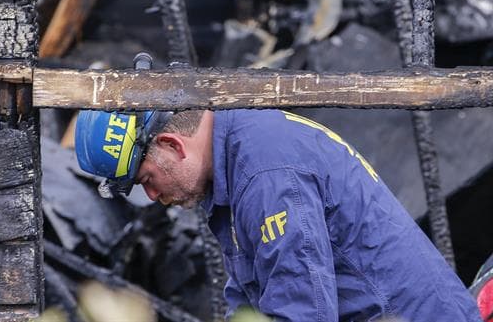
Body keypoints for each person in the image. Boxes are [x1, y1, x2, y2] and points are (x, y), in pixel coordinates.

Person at [74, 107, 482, 321]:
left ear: (173, 145)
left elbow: (302, 310)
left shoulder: (267, 175)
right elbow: (248, 296)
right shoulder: (236, 163)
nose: (152, 195)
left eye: (147, 178)